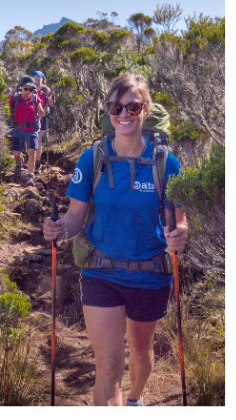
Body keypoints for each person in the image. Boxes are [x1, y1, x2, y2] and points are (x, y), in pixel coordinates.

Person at [42, 73, 188, 406]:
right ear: (108, 111)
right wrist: (60, 229)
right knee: (107, 366)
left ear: (145, 109)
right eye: (116, 107)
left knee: (140, 351)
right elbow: (76, 216)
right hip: (101, 272)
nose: (124, 114)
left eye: (133, 106)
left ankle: (135, 400)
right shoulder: (92, 159)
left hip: (151, 274)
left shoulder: (167, 163)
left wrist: (180, 234)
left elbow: (179, 216)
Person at [9, 75, 46, 184]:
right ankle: (18, 164)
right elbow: (8, 111)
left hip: (32, 129)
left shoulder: (35, 98)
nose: (28, 91)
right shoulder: (15, 98)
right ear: (21, 87)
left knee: (31, 152)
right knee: (16, 154)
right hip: (18, 129)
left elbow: (42, 113)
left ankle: (30, 175)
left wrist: (43, 111)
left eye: (30, 89)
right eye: (26, 89)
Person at [33, 70, 55, 172]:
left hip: (43, 117)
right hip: (31, 117)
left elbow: (51, 105)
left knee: (39, 139)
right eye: (35, 79)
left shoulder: (45, 89)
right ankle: (31, 162)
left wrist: (51, 98)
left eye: (39, 79)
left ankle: (37, 163)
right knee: (30, 140)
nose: (37, 81)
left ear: (43, 80)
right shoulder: (30, 89)